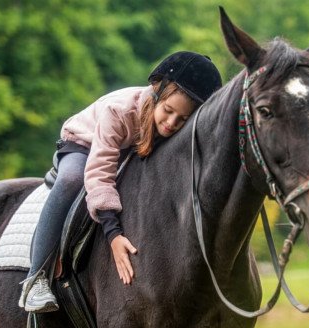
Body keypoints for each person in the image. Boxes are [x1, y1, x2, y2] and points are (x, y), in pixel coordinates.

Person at [18, 51, 222, 313]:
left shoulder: (169, 125)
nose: (171, 123)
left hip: (130, 146)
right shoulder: (120, 111)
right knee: (71, 179)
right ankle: (35, 278)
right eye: (168, 111)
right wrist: (113, 234)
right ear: (156, 92)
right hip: (85, 144)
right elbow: (99, 171)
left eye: (182, 119)